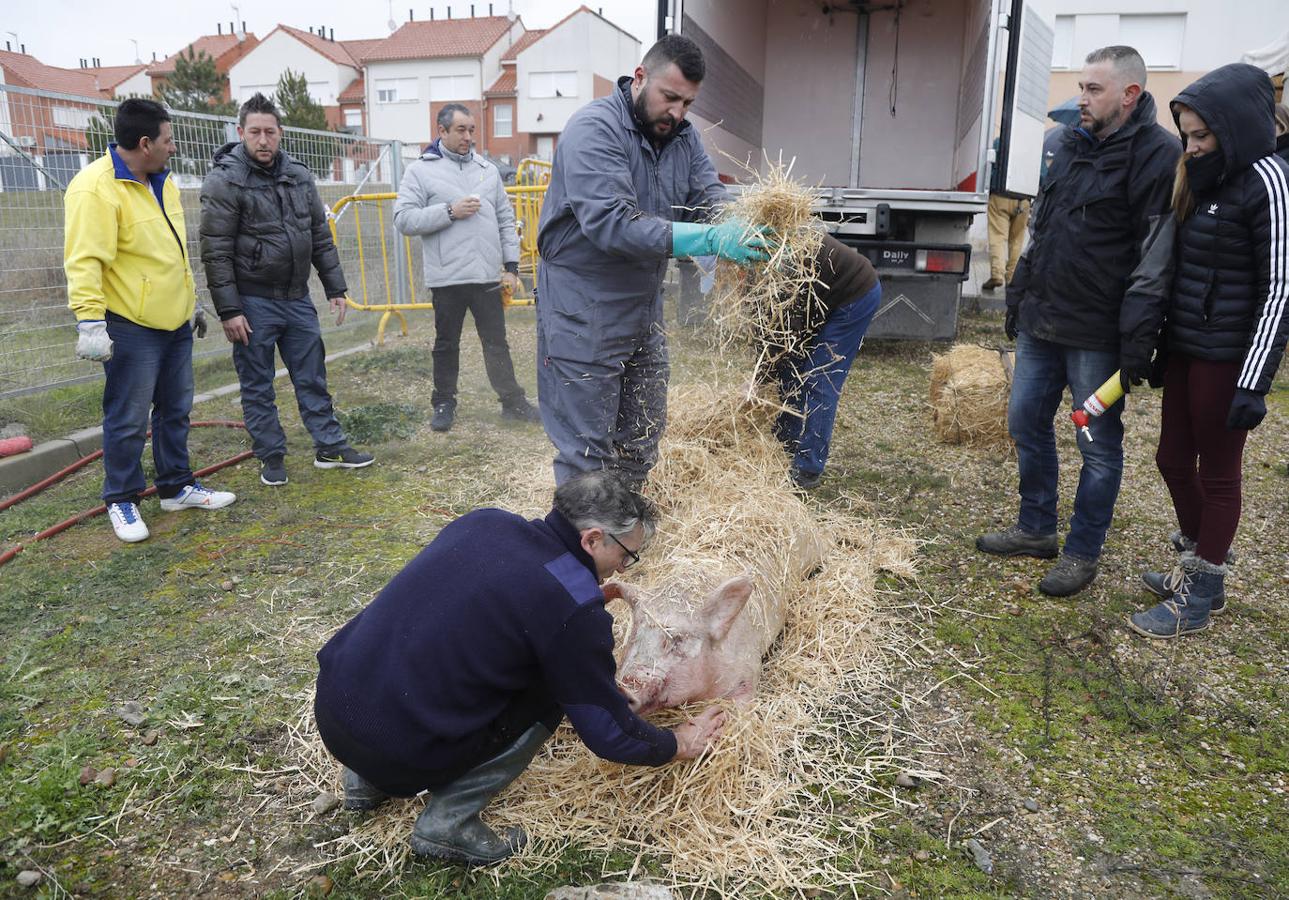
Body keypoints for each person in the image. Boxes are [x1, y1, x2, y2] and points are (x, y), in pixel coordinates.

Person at [314, 470, 726, 865]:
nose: (623, 568)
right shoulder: (575, 605)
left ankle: (363, 783)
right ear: (593, 539)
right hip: (399, 754)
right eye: (626, 554)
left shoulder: (486, 521)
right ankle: (447, 824)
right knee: (551, 691)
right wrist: (677, 744)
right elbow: (607, 735)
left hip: (334, 713)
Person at [976, 46, 1181, 597]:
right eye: (1081, 87)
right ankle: (1036, 527)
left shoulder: (1159, 154)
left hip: (1098, 336)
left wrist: (1138, 337)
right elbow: (1041, 230)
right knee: (1025, 423)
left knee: (1095, 446)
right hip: (1043, 321)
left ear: (1129, 94)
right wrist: (1018, 294)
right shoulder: (1065, 144)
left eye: (1093, 89)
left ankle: (1082, 551)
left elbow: (1155, 255)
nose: (1080, 99)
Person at [535, 33, 768, 488]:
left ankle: (624, 536)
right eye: (671, 98)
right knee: (587, 451)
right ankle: (580, 551)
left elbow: (708, 197)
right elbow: (612, 223)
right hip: (584, 306)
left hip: (643, 307)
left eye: (688, 103)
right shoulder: (594, 129)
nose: (678, 113)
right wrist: (710, 238)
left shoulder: (683, 138)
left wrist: (742, 229)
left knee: (640, 437)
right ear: (640, 78)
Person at [1119, 64, 1288, 638]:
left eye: (1200, 136)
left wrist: (1253, 381)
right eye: (1186, 135)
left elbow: (1280, 286)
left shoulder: (1269, 180)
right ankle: (1201, 566)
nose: (1189, 148)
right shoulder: (1202, 178)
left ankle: (1201, 589)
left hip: (1229, 357)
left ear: (1235, 127)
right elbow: (1180, 270)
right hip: (1190, 347)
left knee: (1219, 475)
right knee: (1170, 459)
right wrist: (1163, 343)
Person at [65, 98, 236, 543]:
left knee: (176, 409)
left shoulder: (164, 181)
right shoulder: (94, 190)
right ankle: (121, 498)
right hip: (129, 325)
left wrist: (191, 302)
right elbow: (85, 261)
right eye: (167, 139)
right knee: (127, 415)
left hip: (174, 321)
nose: (173, 147)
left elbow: (172, 253)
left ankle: (176, 486)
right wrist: (89, 321)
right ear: (144, 143)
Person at [199, 93, 373, 487]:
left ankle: (329, 446)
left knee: (312, 375)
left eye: (270, 133)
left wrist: (335, 288)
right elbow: (216, 251)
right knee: (258, 384)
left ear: (280, 134)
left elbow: (318, 235)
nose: (263, 140)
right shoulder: (224, 180)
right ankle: (271, 455)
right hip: (253, 301)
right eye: (255, 132)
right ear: (241, 132)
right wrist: (229, 311)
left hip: (296, 298)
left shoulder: (298, 175)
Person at [393, 103, 540, 433]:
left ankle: (512, 402)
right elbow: (403, 219)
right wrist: (449, 211)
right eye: (461, 130)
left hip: (487, 275)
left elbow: (505, 220)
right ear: (441, 131)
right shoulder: (420, 171)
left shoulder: (487, 170)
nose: (468, 136)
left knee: (496, 343)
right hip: (448, 277)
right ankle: (444, 402)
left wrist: (512, 267)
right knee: (446, 344)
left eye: (472, 130)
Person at [771, 234, 881, 489]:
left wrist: (762, 375)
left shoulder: (775, 264)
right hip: (821, 298)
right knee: (789, 367)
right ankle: (784, 442)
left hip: (855, 295)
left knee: (820, 377)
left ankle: (809, 467)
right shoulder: (757, 271)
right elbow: (772, 336)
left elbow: (787, 330)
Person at [982, 138, 1030, 291]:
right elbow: (1041, 174)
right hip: (1023, 199)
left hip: (1000, 196)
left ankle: (997, 274)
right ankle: (1012, 277)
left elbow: (990, 168)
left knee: (998, 236)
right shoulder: (1031, 144)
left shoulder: (999, 142)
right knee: (1017, 240)